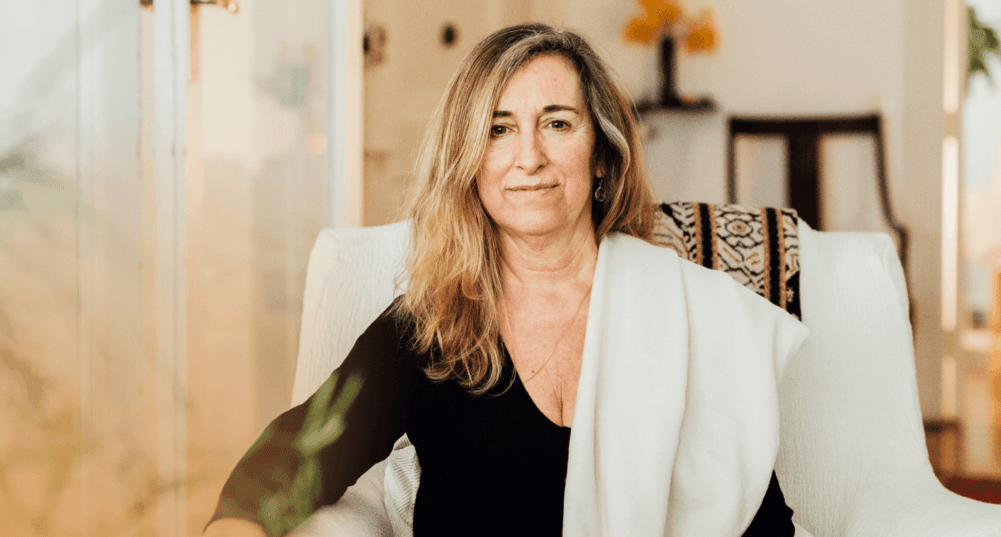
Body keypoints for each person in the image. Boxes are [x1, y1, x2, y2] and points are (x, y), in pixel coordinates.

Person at [205, 23, 798, 537]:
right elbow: (302, 451)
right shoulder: (430, 321)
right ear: (469, 162)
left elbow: (757, 519)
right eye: (498, 129)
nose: (529, 157)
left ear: (601, 154)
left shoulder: (689, 316)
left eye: (558, 124)